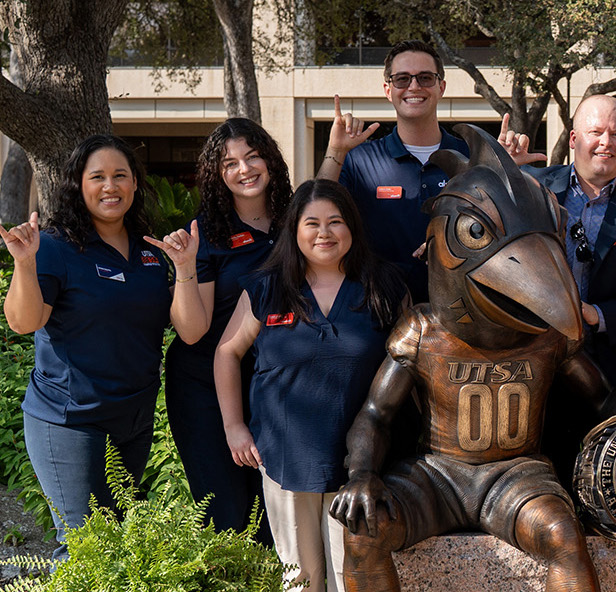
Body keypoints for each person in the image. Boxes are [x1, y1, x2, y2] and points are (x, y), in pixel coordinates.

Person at [0, 135, 209, 558]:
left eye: (120, 176)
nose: (110, 186)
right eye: (98, 177)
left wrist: (184, 267)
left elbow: (192, 331)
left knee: (114, 542)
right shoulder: (56, 247)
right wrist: (25, 263)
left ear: (134, 185)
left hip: (133, 419)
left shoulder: (149, 252)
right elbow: (23, 322)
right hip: (70, 420)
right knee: (83, 547)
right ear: (79, 184)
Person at [216, 179, 405, 592]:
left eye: (336, 222)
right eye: (312, 223)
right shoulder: (268, 288)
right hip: (285, 456)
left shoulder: (384, 288)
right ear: (294, 231)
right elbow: (227, 353)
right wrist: (234, 427)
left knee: (350, 577)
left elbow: (410, 367)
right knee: (300, 580)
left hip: (360, 464)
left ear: (352, 228)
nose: (324, 233)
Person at [163, 117, 290, 540]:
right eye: (230, 163)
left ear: (270, 160)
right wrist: (184, 267)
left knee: (275, 512)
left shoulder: (295, 221)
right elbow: (192, 332)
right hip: (204, 385)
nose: (244, 169)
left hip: (270, 383)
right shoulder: (209, 232)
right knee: (228, 512)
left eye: (252, 157)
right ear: (217, 175)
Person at [516, 95, 616, 394]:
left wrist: (597, 314)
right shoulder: (530, 188)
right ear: (574, 139)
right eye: (596, 132)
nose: (606, 142)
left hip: (613, 374)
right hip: (531, 367)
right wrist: (495, 169)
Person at [316, 40, 469, 302]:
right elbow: (315, 211)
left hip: (463, 312)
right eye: (402, 79)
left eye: (425, 78)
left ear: (441, 87)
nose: (414, 87)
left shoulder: (469, 156)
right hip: (378, 313)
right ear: (388, 90)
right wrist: (336, 151)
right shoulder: (359, 160)